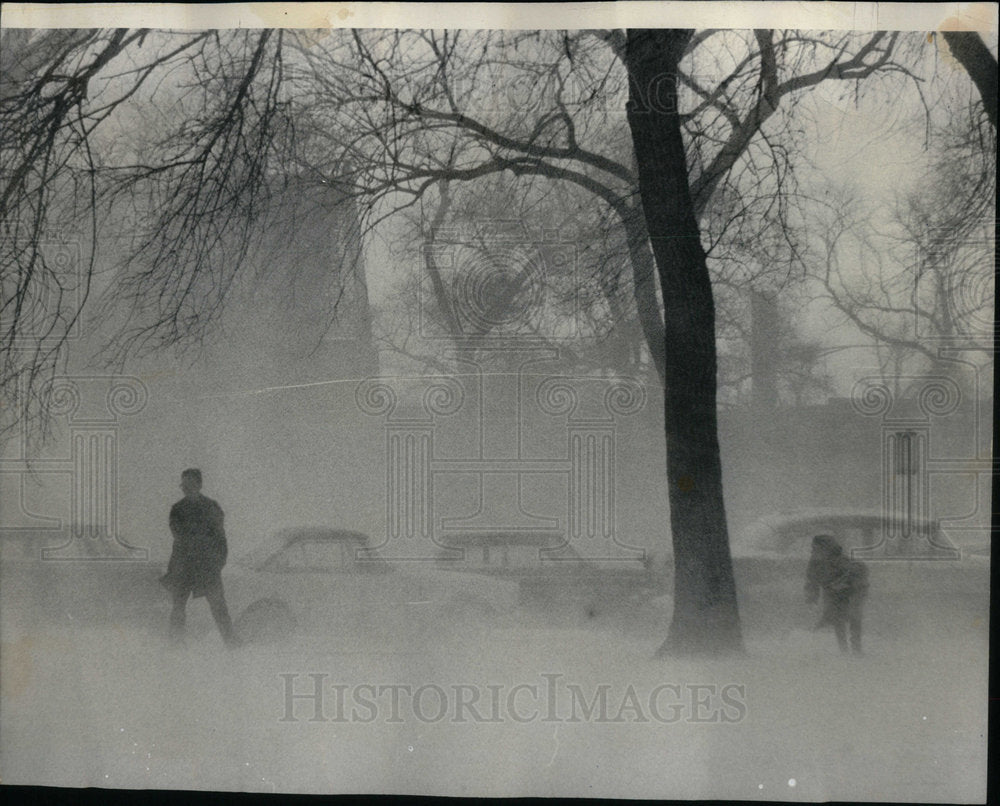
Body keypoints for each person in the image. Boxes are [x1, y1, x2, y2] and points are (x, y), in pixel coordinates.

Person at [161, 468, 239, 647]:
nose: (185, 488)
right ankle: (175, 644)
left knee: (219, 607)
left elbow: (220, 539)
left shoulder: (212, 507)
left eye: (189, 484)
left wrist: (217, 563)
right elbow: (179, 536)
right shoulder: (178, 510)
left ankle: (232, 642)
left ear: (199, 484)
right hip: (184, 566)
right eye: (184, 485)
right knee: (178, 608)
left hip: (207, 567)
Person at [805, 534, 868, 655]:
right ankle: (843, 649)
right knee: (837, 618)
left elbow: (860, 572)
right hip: (832, 593)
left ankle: (856, 649)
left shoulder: (843, 561)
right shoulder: (814, 563)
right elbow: (811, 581)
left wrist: (847, 585)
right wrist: (812, 597)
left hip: (852, 592)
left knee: (854, 616)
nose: (813, 552)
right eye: (813, 548)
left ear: (827, 549)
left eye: (817, 548)